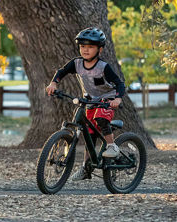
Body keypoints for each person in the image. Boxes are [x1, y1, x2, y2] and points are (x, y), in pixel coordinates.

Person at [45, 27, 125, 181]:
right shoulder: (77, 63)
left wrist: (117, 99)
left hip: (106, 100)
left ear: (99, 50)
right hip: (89, 100)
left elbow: (119, 84)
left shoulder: (103, 67)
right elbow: (62, 71)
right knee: (89, 134)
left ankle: (112, 146)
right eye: (82, 47)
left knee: (101, 119)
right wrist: (53, 84)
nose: (85, 50)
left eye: (90, 47)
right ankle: (86, 167)